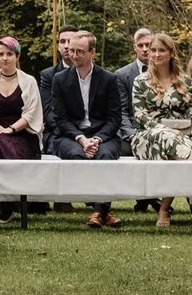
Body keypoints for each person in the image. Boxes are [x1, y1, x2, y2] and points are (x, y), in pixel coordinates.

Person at [44, 30, 130, 227]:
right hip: (70, 135)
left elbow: (114, 119)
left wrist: (97, 139)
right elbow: (60, 119)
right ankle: (104, 212)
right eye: (72, 51)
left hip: (103, 135)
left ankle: (98, 211)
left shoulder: (109, 79)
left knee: (105, 156)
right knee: (77, 155)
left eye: (80, 52)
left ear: (93, 52)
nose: (74, 56)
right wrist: (82, 139)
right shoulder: (60, 79)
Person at [128, 31, 192, 227]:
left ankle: (164, 209)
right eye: (153, 50)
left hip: (182, 138)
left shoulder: (186, 82)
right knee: (169, 140)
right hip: (147, 136)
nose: (155, 54)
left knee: (176, 151)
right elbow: (140, 116)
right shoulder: (140, 81)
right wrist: (164, 129)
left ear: (171, 53)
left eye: (161, 50)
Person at [0, 36, 44, 160]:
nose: (5, 58)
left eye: (9, 54)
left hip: (24, 133)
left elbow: (31, 114)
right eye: (1, 54)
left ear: (17, 56)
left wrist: (10, 129)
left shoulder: (29, 81)